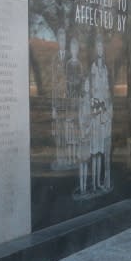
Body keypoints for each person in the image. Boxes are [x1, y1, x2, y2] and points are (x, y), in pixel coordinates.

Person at [89, 34, 112, 191]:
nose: (100, 50)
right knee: (96, 149)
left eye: (102, 47)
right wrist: (96, 107)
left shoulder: (105, 68)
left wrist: (108, 107)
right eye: (98, 47)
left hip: (105, 112)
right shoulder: (94, 67)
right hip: (96, 111)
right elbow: (91, 90)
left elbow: (108, 90)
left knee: (105, 148)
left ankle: (105, 180)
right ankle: (95, 182)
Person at [65, 37, 84, 165]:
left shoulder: (80, 65)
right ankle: (70, 157)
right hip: (70, 99)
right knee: (70, 127)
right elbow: (68, 82)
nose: (74, 51)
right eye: (72, 48)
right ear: (70, 50)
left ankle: (77, 157)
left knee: (78, 127)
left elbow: (81, 81)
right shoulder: (68, 64)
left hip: (78, 99)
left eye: (76, 48)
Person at [51, 28, 68, 167]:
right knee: (58, 131)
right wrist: (53, 107)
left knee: (67, 131)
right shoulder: (55, 59)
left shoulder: (70, 58)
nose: (62, 42)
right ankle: (59, 158)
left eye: (64, 39)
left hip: (68, 102)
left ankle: (67, 159)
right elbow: (53, 83)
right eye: (60, 39)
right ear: (58, 41)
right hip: (58, 101)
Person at [78, 78, 91, 194]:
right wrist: (82, 130)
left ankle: (85, 187)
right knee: (81, 162)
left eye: (88, 84)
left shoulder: (91, 101)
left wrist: (89, 129)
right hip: (82, 134)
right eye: (85, 84)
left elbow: (92, 118)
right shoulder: (82, 100)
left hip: (88, 134)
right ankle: (81, 186)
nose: (87, 86)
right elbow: (80, 116)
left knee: (86, 162)